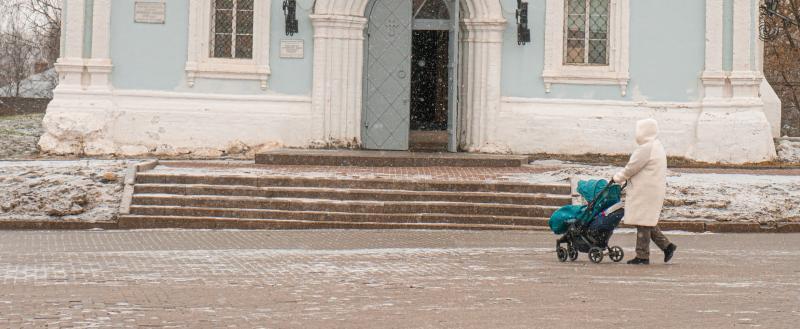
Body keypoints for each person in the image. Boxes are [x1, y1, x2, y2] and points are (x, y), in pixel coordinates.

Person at [612, 118, 677, 265]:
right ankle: (666, 246)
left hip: (645, 191)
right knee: (646, 220)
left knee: (643, 221)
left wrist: (618, 178)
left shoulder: (646, 148)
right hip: (651, 189)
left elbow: (632, 167)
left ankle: (643, 256)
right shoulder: (656, 145)